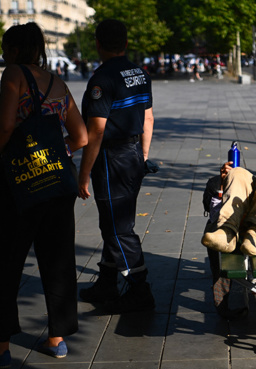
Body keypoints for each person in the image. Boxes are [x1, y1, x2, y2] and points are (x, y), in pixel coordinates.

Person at [0, 22, 88, 369]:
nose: (5, 54)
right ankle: (57, 338)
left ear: (15, 50)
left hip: (20, 185)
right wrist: (55, 151)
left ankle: (2, 345)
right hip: (57, 185)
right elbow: (81, 137)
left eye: (6, 48)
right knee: (58, 261)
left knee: (7, 263)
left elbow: (6, 125)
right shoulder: (58, 83)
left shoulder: (14, 75)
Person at [78, 19, 155, 314]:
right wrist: (142, 157)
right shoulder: (140, 73)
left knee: (118, 228)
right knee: (113, 222)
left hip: (112, 160)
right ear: (125, 43)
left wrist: (83, 173)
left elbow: (95, 132)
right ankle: (108, 283)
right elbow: (148, 118)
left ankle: (140, 291)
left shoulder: (102, 79)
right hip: (133, 154)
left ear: (98, 44)